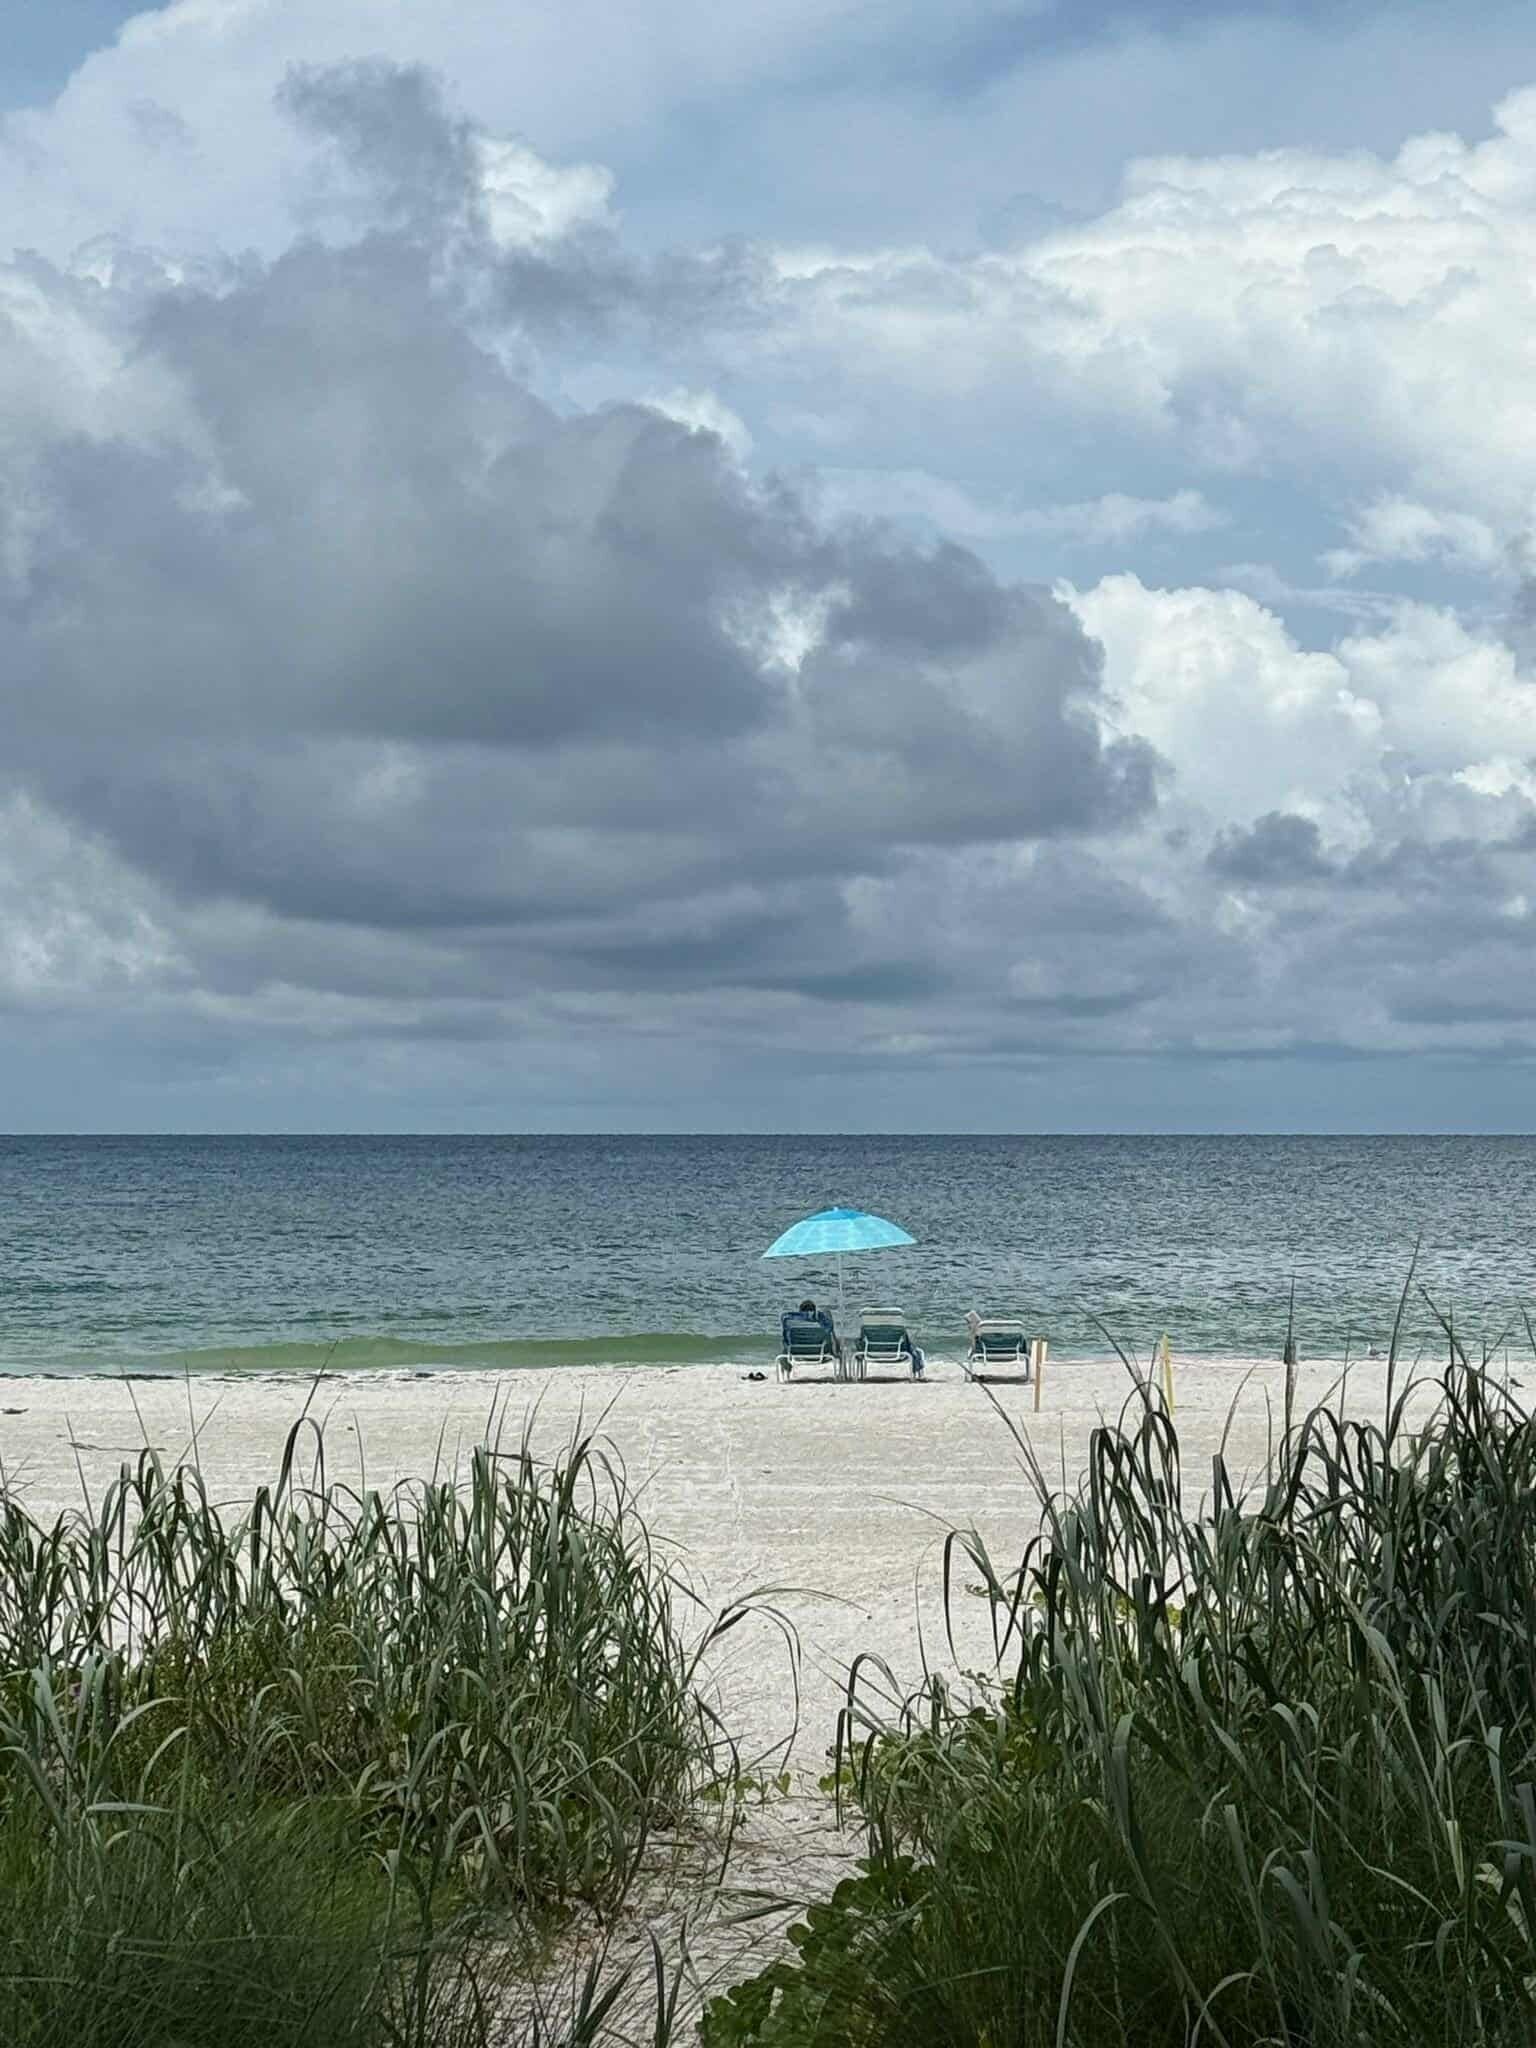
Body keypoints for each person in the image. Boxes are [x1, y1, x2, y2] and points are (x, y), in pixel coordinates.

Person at [782, 1296, 841, 1362]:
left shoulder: (790, 1324)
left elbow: (786, 1341)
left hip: (798, 1354)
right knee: (833, 1339)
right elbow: (829, 1337)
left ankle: (787, 1368)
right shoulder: (820, 1325)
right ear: (814, 1311)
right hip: (820, 1355)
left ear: (800, 1312)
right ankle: (841, 1370)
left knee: (785, 1345)